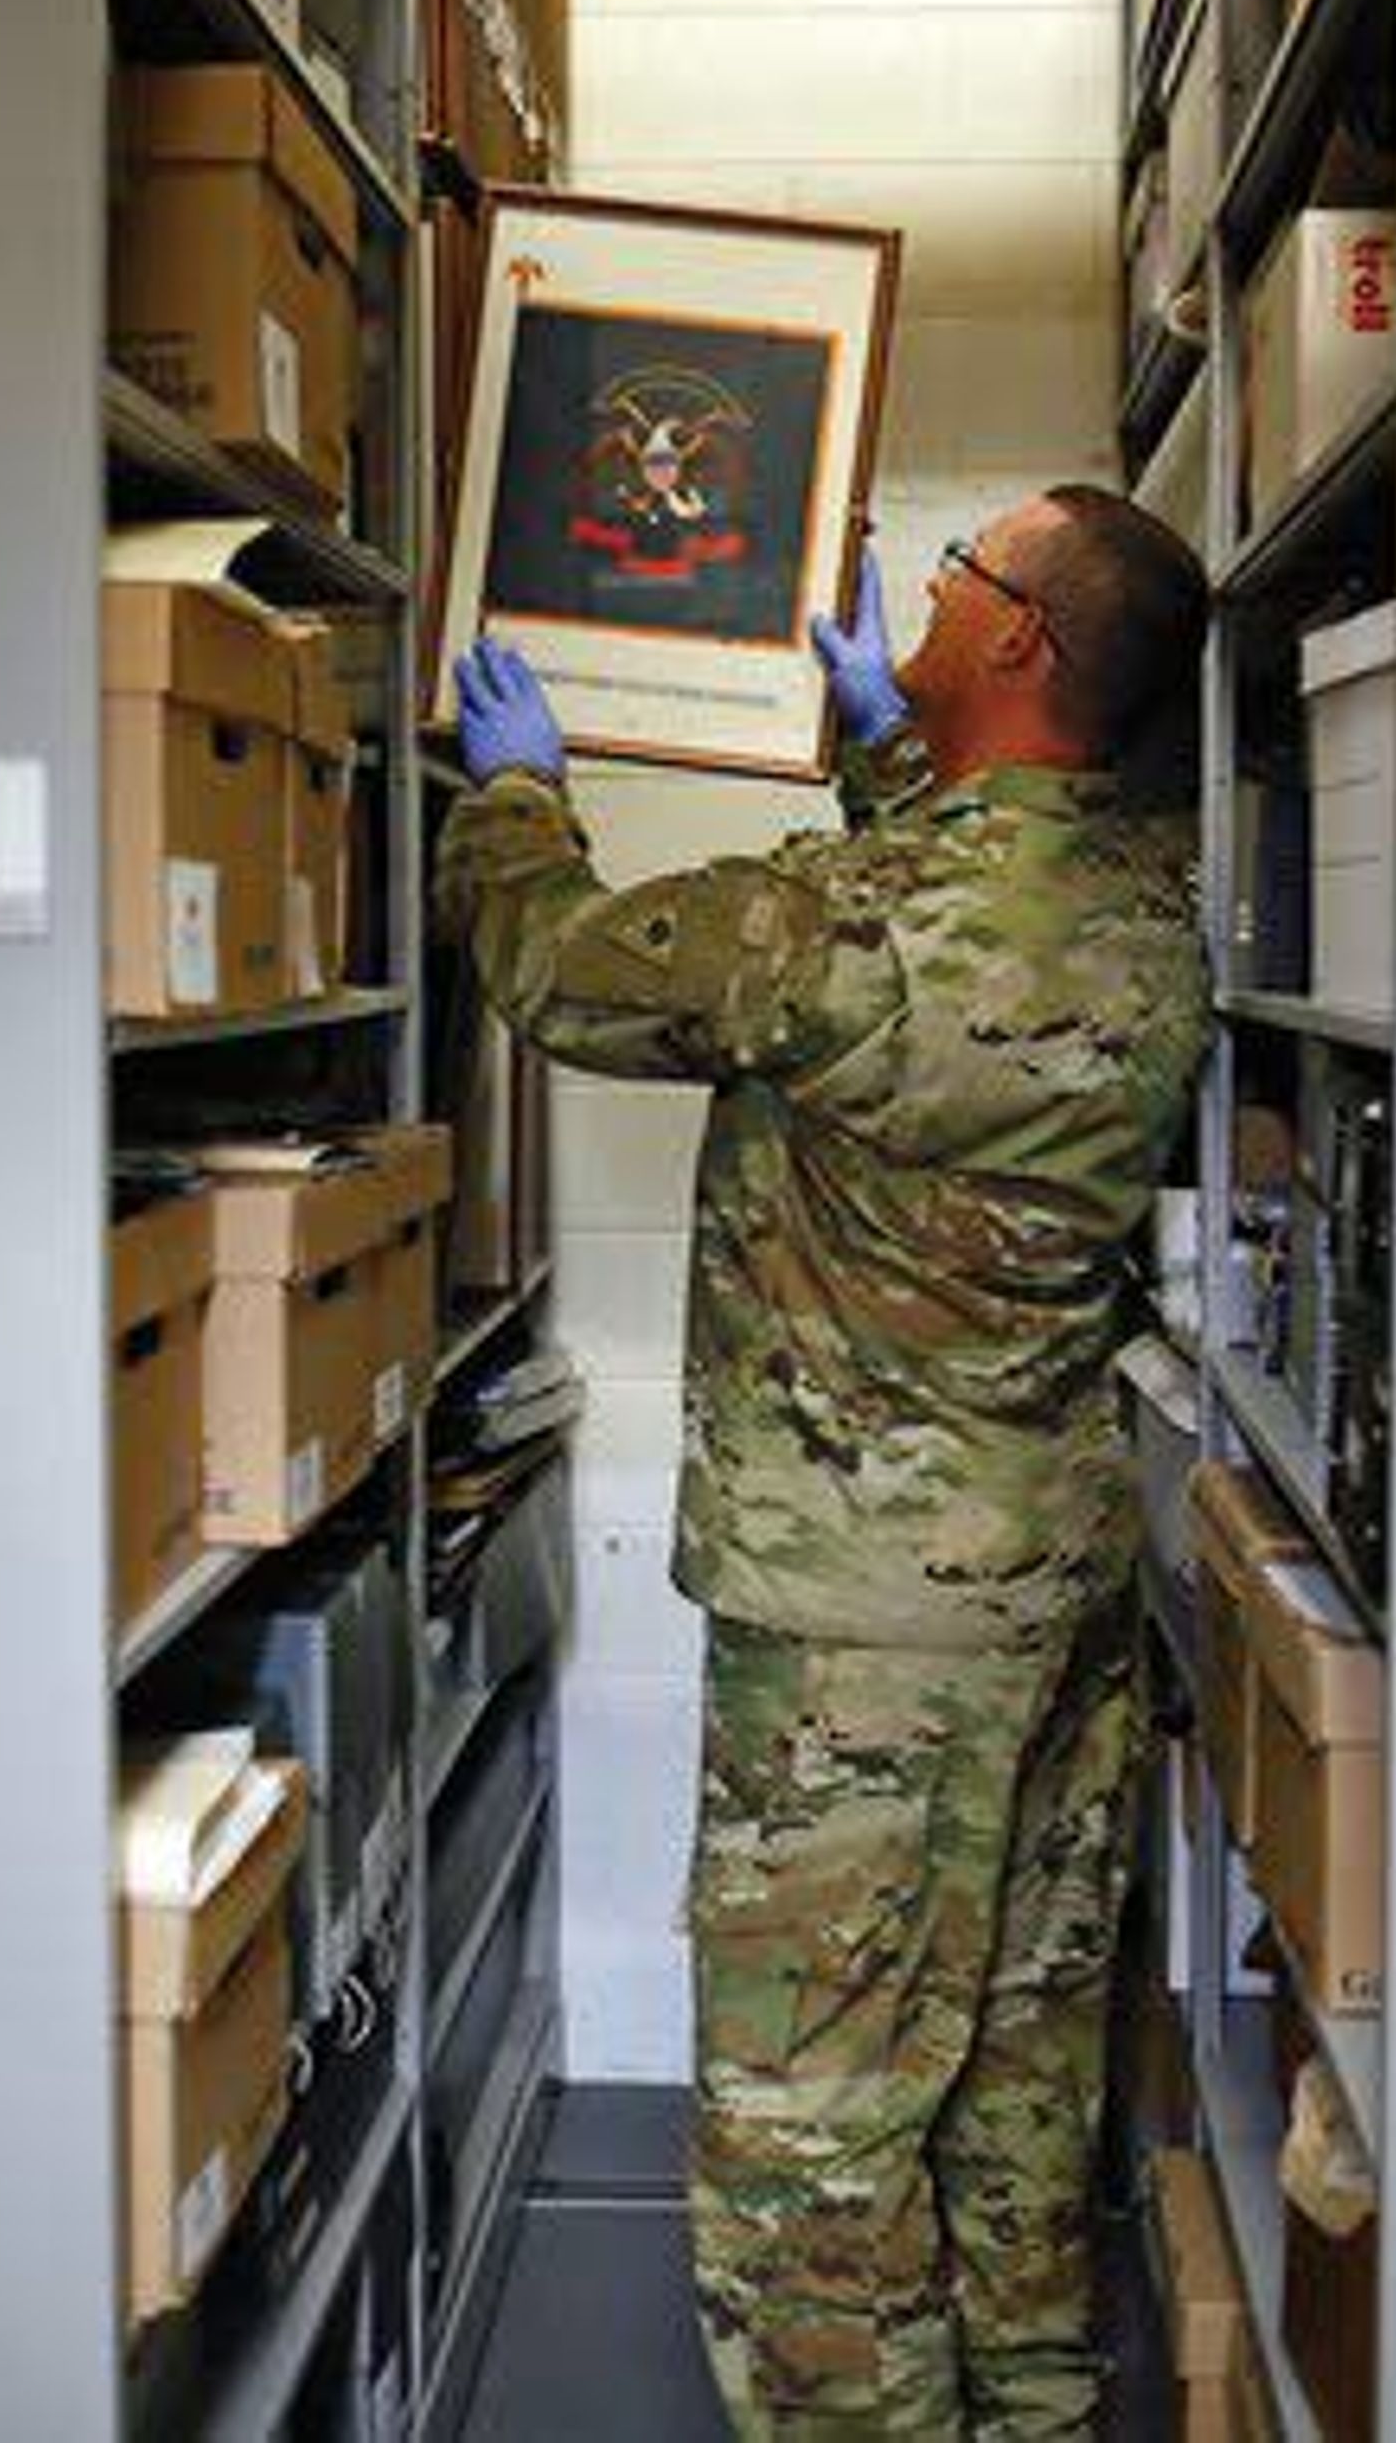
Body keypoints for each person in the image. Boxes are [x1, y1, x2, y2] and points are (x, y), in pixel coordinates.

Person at [434, 487, 1214, 2441]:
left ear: (1022, 638)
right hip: (1058, 1598)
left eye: (952, 581)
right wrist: (887, 734)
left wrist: (513, 794)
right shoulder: (1142, 899)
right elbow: (958, 946)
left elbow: (558, 966)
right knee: (1017, 2106)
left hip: (865, 1652)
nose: (918, 601)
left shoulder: (842, 927)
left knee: (814, 2141)